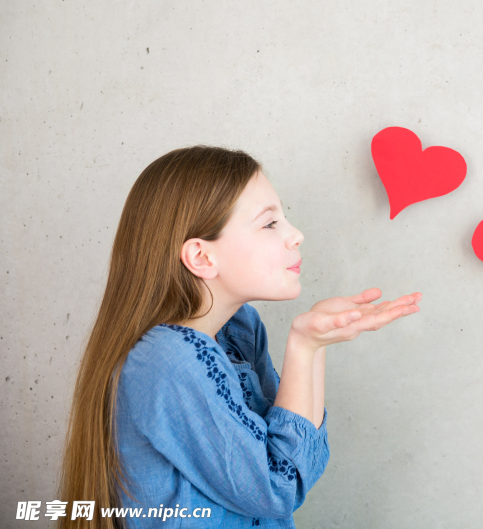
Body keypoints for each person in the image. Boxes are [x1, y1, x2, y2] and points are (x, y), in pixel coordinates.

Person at [57, 146, 421, 528]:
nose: (296, 235)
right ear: (201, 257)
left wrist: (316, 346)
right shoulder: (168, 359)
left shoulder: (239, 329)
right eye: (269, 224)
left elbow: (296, 467)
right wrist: (304, 347)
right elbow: (276, 488)